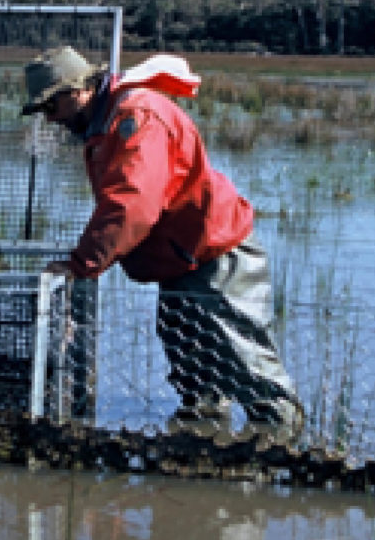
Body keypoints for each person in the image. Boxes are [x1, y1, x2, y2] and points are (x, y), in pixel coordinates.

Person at [20, 45, 304, 444]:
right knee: (196, 384)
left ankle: (282, 454)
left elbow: (132, 202)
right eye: (43, 111)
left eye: (52, 106)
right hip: (180, 261)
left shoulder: (137, 116)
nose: (50, 119)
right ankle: (204, 461)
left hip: (215, 255)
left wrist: (81, 264)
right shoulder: (106, 122)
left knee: (250, 370)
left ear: (79, 90)